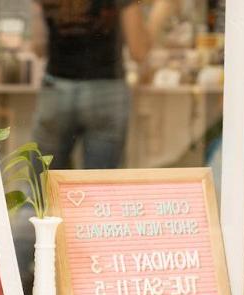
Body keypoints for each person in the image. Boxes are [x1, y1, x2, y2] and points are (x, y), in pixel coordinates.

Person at [31, 0, 174, 169]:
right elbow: (139, 50)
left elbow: (38, 46)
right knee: (99, 186)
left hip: (57, 88)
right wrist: (161, 12)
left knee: (43, 183)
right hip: (106, 90)